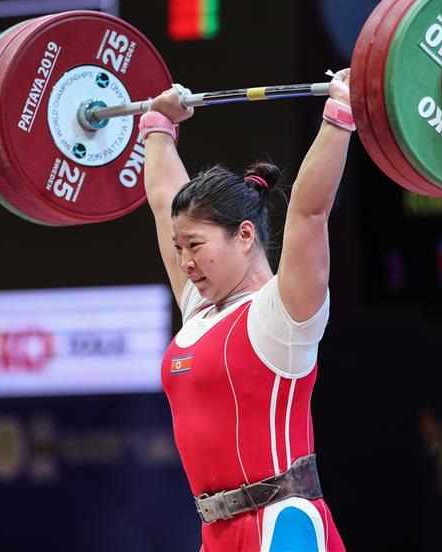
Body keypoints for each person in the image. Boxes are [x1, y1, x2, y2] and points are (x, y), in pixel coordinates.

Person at [141, 69, 354, 551]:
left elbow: (310, 211)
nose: (185, 262)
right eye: (179, 248)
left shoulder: (282, 314)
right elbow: (161, 202)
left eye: (195, 245)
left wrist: (340, 116)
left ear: (245, 235)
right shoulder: (200, 308)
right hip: (216, 533)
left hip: (282, 527)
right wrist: (158, 126)